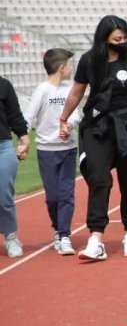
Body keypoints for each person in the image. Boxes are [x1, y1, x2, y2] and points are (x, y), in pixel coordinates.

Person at [59, 15, 127, 261]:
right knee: (99, 179)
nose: (122, 42)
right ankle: (96, 237)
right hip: (98, 125)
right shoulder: (90, 60)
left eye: (125, 38)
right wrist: (64, 118)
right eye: (117, 39)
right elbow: (77, 91)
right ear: (104, 38)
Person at [24, 48, 81, 256]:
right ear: (61, 67)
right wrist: (23, 140)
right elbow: (29, 117)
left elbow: (76, 113)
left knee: (66, 194)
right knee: (52, 198)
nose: (71, 68)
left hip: (68, 149)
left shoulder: (70, 89)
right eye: (69, 64)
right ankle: (58, 229)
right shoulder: (42, 90)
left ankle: (64, 235)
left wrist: (69, 125)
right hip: (46, 150)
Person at [1, 75, 30, 259]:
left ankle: (10, 236)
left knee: (4, 196)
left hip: (3, 147)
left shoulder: (4, 85)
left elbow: (14, 115)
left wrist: (24, 138)